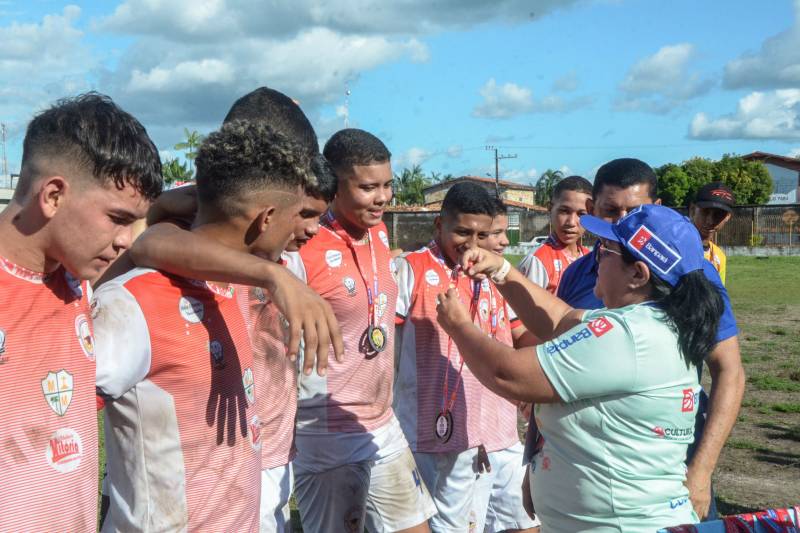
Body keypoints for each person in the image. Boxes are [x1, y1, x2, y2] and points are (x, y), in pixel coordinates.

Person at [437, 204, 724, 532]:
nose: (594, 257)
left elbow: (510, 374)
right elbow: (560, 320)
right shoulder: (650, 323)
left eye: (606, 250)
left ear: (638, 274)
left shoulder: (629, 337)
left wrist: (459, 326)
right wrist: (501, 270)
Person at [126, 86, 335, 532]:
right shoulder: (206, 211)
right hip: (203, 457)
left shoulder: (282, 226)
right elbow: (152, 241)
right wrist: (272, 275)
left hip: (270, 445)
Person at [0, 93, 161, 532]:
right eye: (117, 217)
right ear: (53, 195)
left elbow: (204, 209)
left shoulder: (77, 279)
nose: (129, 240)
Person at [551, 158, 744, 521]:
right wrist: (538, 454)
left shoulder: (690, 275)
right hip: (588, 468)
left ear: (656, 210)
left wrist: (700, 473)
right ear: (591, 210)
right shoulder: (576, 275)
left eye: (635, 211)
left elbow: (729, 371)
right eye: (611, 211)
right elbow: (554, 364)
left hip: (663, 459)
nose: (623, 222)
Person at [290, 128, 436, 533]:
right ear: (334, 187)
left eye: (388, 184)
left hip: (380, 419)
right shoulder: (303, 244)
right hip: (324, 427)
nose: (383, 198)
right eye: (368, 187)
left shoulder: (378, 232)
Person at [394, 183, 534, 533]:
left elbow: (518, 335)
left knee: (525, 523)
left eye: (482, 234)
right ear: (439, 225)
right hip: (439, 436)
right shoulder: (410, 270)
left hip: (501, 431)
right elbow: (389, 353)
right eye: (462, 232)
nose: (472, 244)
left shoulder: (496, 273)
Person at [518, 176, 592, 294]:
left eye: (581, 214)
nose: (571, 222)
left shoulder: (591, 258)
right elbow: (526, 310)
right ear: (550, 208)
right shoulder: (538, 260)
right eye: (564, 211)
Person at [690, 182, 735, 285]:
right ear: (692, 209)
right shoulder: (675, 244)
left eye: (718, 214)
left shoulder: (719, 257)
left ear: (727, 217)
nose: (710, 221)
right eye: (705, 212)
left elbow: (717, 296)